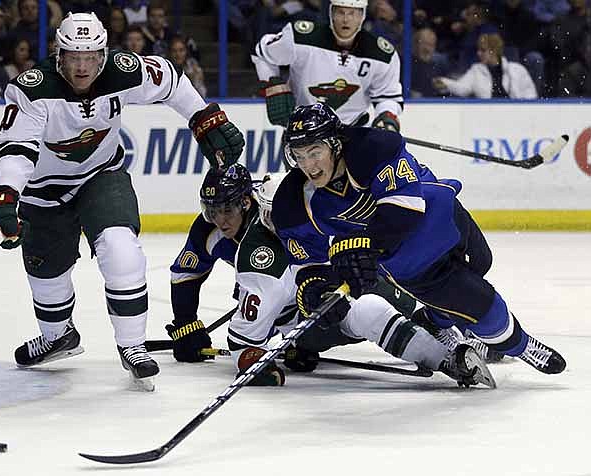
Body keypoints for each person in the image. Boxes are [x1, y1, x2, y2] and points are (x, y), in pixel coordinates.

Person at [0, 12, 245, 387]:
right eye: (73, 57)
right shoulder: (33, 88)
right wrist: (4, 193)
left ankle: (133, 345)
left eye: (90, 56)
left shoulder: (123, 70)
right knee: (47, 276)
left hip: (101, 176)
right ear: (59, 56)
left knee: (122, 249)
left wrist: (203, 116)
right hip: (42, 190)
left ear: (103, 55)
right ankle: (58, 337)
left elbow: (170, 79)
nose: (82, 66)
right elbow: (16, 148)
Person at [271, 102, 566, 376]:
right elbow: (307, 265)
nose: (308, 166)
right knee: (484, 306)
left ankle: (435, 321)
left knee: (482, 264)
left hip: (447, 214)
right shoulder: (293, 203)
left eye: (314, 152)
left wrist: (363, 245)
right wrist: (316, 292)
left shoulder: (372, 148)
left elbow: (405, 210)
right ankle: (522, 344)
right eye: (299, 156)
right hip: (412, 263)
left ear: (335, 144)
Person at [167, 164, 495, 388]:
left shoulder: (305, 210)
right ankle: (448, 359)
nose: (219, 219)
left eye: (227, 209)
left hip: (333, 284)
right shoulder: (258, 260)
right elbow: (241, 340)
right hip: (308, 318)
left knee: (388, 270)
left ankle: (458, 327)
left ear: (248, 201)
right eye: (213, 211)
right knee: (369, 310)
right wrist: (264, 355)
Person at [252, 0, 403, 131]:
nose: (346, 19)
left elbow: (388, 97)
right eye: (340, 12)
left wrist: (387, 116)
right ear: (331, 13)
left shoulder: (382, 55)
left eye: (352, 13)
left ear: (362, 16)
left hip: (354, 133)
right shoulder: (301, 37)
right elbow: (262, 52)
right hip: (304, 131)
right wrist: (271, 82)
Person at [432, 33, 538, 99]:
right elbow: (463, 88)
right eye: (478, 50)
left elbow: (530, 95)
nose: (478, 53)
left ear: (494, 51)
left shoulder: (517, 69)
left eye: (483, 50)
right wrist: (445, 83)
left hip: (515, 116)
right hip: (487, 116)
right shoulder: (476, 70)